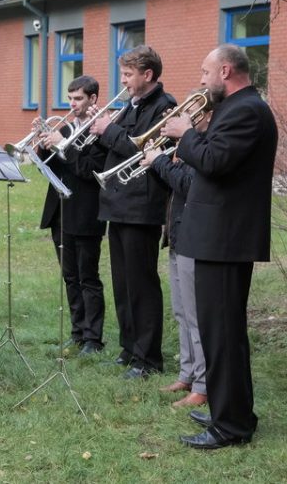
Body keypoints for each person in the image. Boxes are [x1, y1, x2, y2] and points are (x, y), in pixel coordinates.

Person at [161, 44, 277, 449]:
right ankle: (232, 412)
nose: (202, 80)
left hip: (226, 240)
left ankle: (231, 427)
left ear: (226, 70)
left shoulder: (247, 110)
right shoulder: (236, 108)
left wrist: (185, 133)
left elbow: (214, 161)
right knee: (220, 333)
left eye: (205, 72)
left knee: (223, 335)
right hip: (216, 237)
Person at [90, 45, 176, 379]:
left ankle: (148, 357)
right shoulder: (131, 105)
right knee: (123, 282)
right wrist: (98, 130)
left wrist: (108, 131)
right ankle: (129, 347)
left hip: (142, 206)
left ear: (148, 75)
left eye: (128, 74)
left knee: (141, 283)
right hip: (118, 204)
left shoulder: (164, 107)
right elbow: (115, 144)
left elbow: (142, 151)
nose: (123, 81)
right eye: (123, 74)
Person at [142, 100, 212, 408]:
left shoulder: (204, 146)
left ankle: (203, 384)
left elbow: (190, 185)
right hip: (176, 233)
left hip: (194, 236)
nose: (185, 118)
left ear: (205, 115)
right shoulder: (186, 145)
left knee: (197, 316)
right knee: (181, 312)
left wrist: (161, 161)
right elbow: (172, 185)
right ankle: (187, 374)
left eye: (191, 113)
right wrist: (156, 161)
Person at [36, 76, 107, 355]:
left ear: (93, 99)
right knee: (69, 276)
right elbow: (51, 165)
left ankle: (93, 338)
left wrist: (64, 146)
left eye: (78, 98)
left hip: (87, 212)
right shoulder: (65, 128)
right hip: (60, 211)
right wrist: (43, 144)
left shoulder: (102, 131)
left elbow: (90, 170)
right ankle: (78, 332)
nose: (72, 104)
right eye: (70, 99)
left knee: (88, 277)